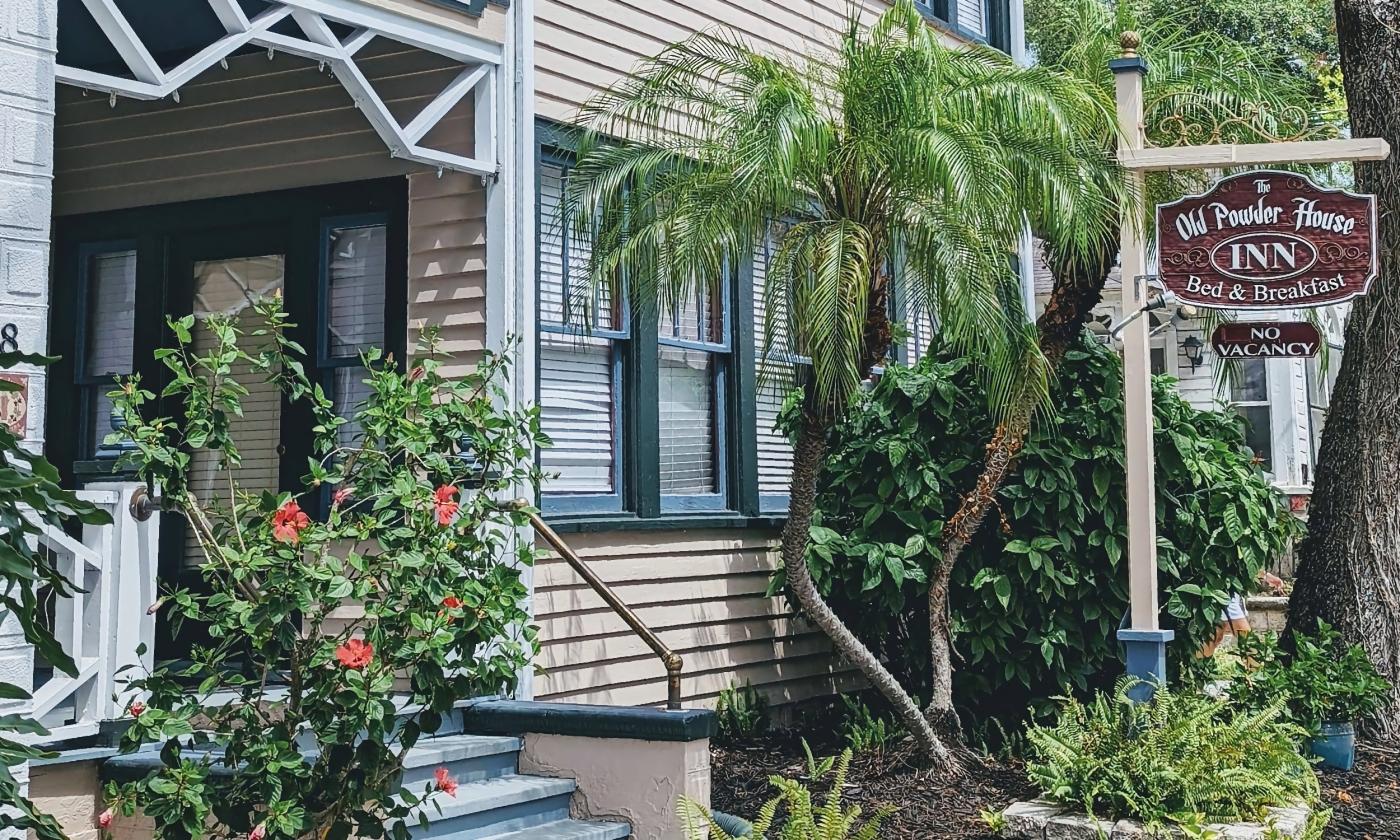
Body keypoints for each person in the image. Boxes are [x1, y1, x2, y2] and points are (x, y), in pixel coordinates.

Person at [1198, 570, 1286, 658]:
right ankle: (1258, 670)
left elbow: (1241, 562)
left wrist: (1266, 576)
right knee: (1248, 641)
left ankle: (1196, 666)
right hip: (1223, 589)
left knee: (1214, 638)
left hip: (1233, 590)